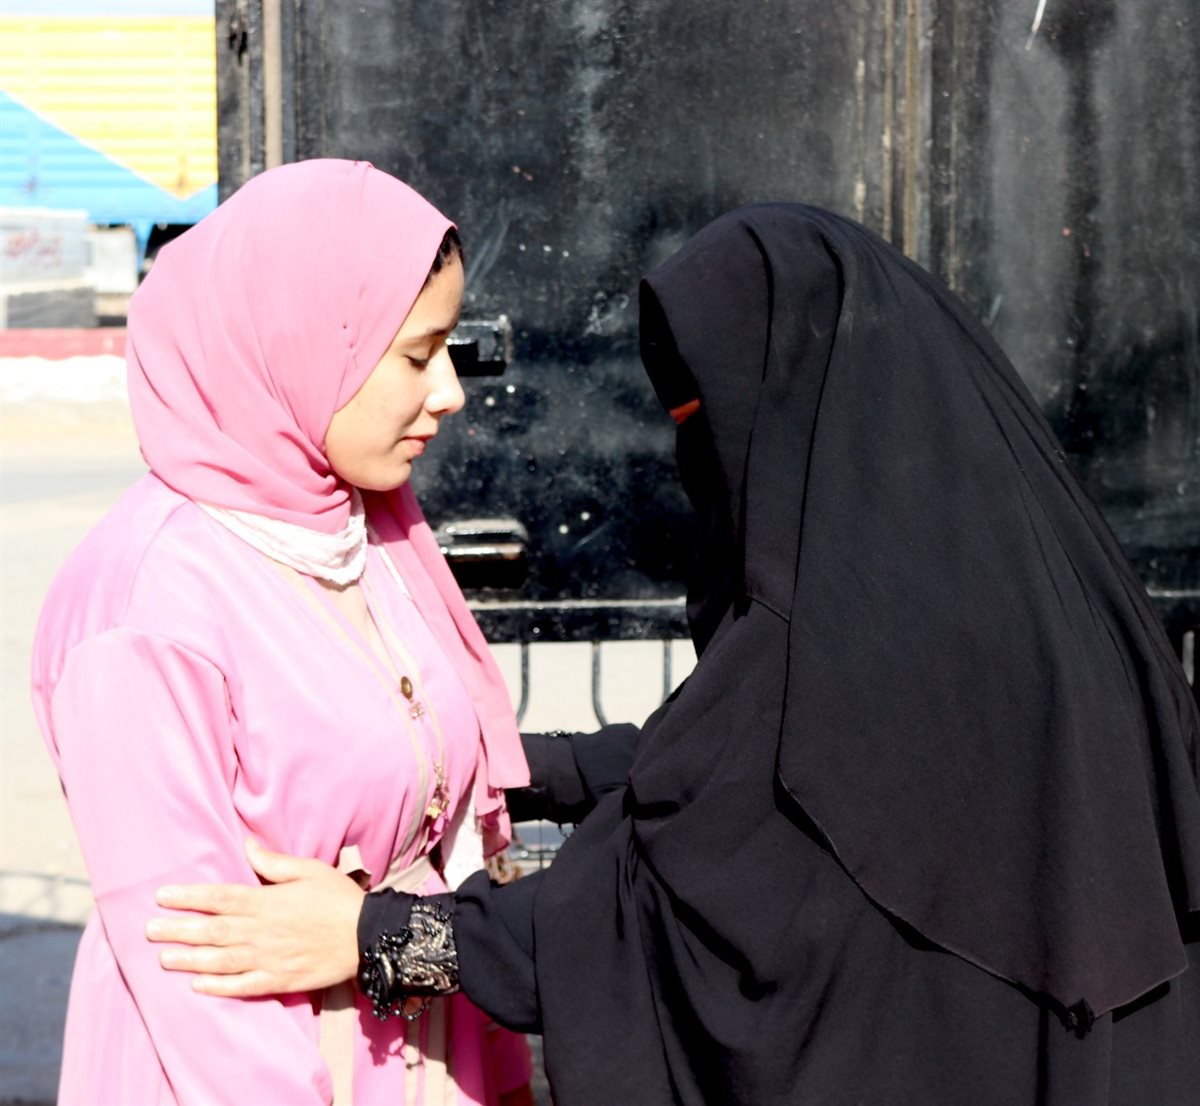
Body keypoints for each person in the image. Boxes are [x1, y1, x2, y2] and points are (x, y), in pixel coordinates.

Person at [147, 204, 1200, 1104]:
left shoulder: (841, 645)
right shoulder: (1020, 597)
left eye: (708, 416)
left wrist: (380, 934)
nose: (697, 454)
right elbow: (760, 765)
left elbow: (670, 906)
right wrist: (524, 764)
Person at [31, 158, 536, 1106]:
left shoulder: (365, 529)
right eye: (417, 356)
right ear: (306, 347)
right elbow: (196, 970)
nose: (450, 393)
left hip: (414, 1044)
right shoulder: (147, 606)